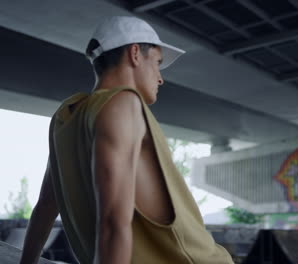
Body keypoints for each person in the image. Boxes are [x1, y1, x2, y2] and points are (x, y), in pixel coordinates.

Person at [19, 16, 233, 264]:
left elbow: (46, 206)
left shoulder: (67, 116)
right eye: (157, 63)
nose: (160, 78)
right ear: (134, 54)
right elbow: (112, 224)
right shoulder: (122, 103)